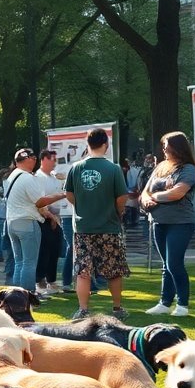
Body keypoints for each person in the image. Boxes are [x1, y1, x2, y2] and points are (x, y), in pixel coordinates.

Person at [65, 128, 129, 319]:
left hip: (83, 228)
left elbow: (69, 194)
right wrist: (118, 212)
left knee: (83, 270)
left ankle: (83, 309)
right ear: (105, 144)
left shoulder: (76, 168)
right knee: (113, 270)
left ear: (88, 144)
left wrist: (83, 205)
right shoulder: (114, 168)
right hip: (109, 226)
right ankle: (117, 308)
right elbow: (122, 197)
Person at [140, 132, 195, 317]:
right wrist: (146, 200)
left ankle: (182, 304)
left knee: (174, 263)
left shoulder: (188, 169)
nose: (163, 149)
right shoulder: (160, 167)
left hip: (180, 222)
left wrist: (155, 197)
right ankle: (165, 303)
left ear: (177, 147)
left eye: (166, 145)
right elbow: (144, 192)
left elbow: (177, 193)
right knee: (166, 264)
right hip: (159, 221)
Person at [4, 148, 64, 291]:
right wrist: (62, 195)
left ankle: (16, 295)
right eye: (34, 158)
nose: (35, 161)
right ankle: (28, 295)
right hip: (27, 222)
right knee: (29, 263)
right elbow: (40, 202)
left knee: (19, 262)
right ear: (28, 159)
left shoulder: (12, 176)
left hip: (11, 222)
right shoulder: (27, 178)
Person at [34, 149, 66, 296]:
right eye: (53, 159)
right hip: (44, 218)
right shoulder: (38, 177)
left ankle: (51, 280)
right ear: (44, 159)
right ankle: (39, 280)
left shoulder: (53, 177)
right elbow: (40, 201)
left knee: (55, 250)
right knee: (44, 251)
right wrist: (50, 217)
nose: (55, 163)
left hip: (56, 218)